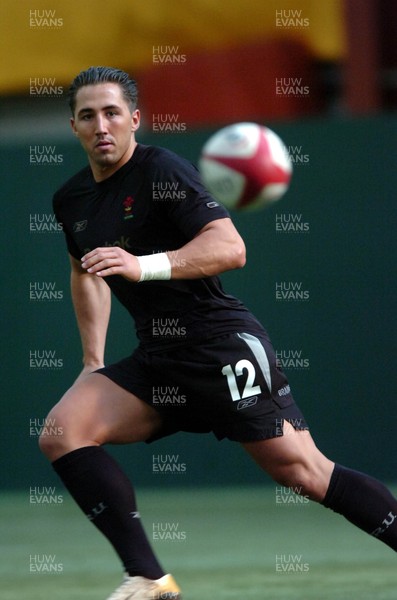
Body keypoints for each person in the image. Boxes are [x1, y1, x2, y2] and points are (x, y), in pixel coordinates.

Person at [39, 66, 397, 600]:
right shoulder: (71, 200)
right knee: (63, 432)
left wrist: (144, 265)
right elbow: (84, 272)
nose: (102, 125)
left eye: (113, 112)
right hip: (158, 357)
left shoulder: (162, 170)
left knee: (305, 473)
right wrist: (93, 360)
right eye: (88, 116)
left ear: (135, 119)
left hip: (218, 346)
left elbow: (231, 248)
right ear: (73, 127)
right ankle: (149, 578)